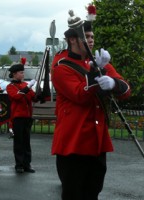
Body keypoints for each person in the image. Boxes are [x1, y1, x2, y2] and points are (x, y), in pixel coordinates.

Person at [51, 12, 131, 199]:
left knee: (93, 192)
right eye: (86, 37)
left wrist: (113, 83)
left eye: (92, 36)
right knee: (73, 194)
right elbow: (80, 94)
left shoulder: (98, 62)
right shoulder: (61, 66)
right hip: (73, 142)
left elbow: (126, 89)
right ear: (72, 40)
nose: (91, 40)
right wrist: (97, 72)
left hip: (96, 142)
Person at [6, 58, 37, 174]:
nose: (23, 75)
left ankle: (27, 164)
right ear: (14, 74)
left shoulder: (24, 84)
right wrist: (28, 88)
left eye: (23, 72)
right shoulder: (11, 87)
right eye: (21, 73)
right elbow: (17, 97)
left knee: (26, 142)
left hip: (27, 116)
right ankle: (19, 164)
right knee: (19, 142)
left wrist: (39, 93)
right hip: (18, 117)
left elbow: (33, 97)